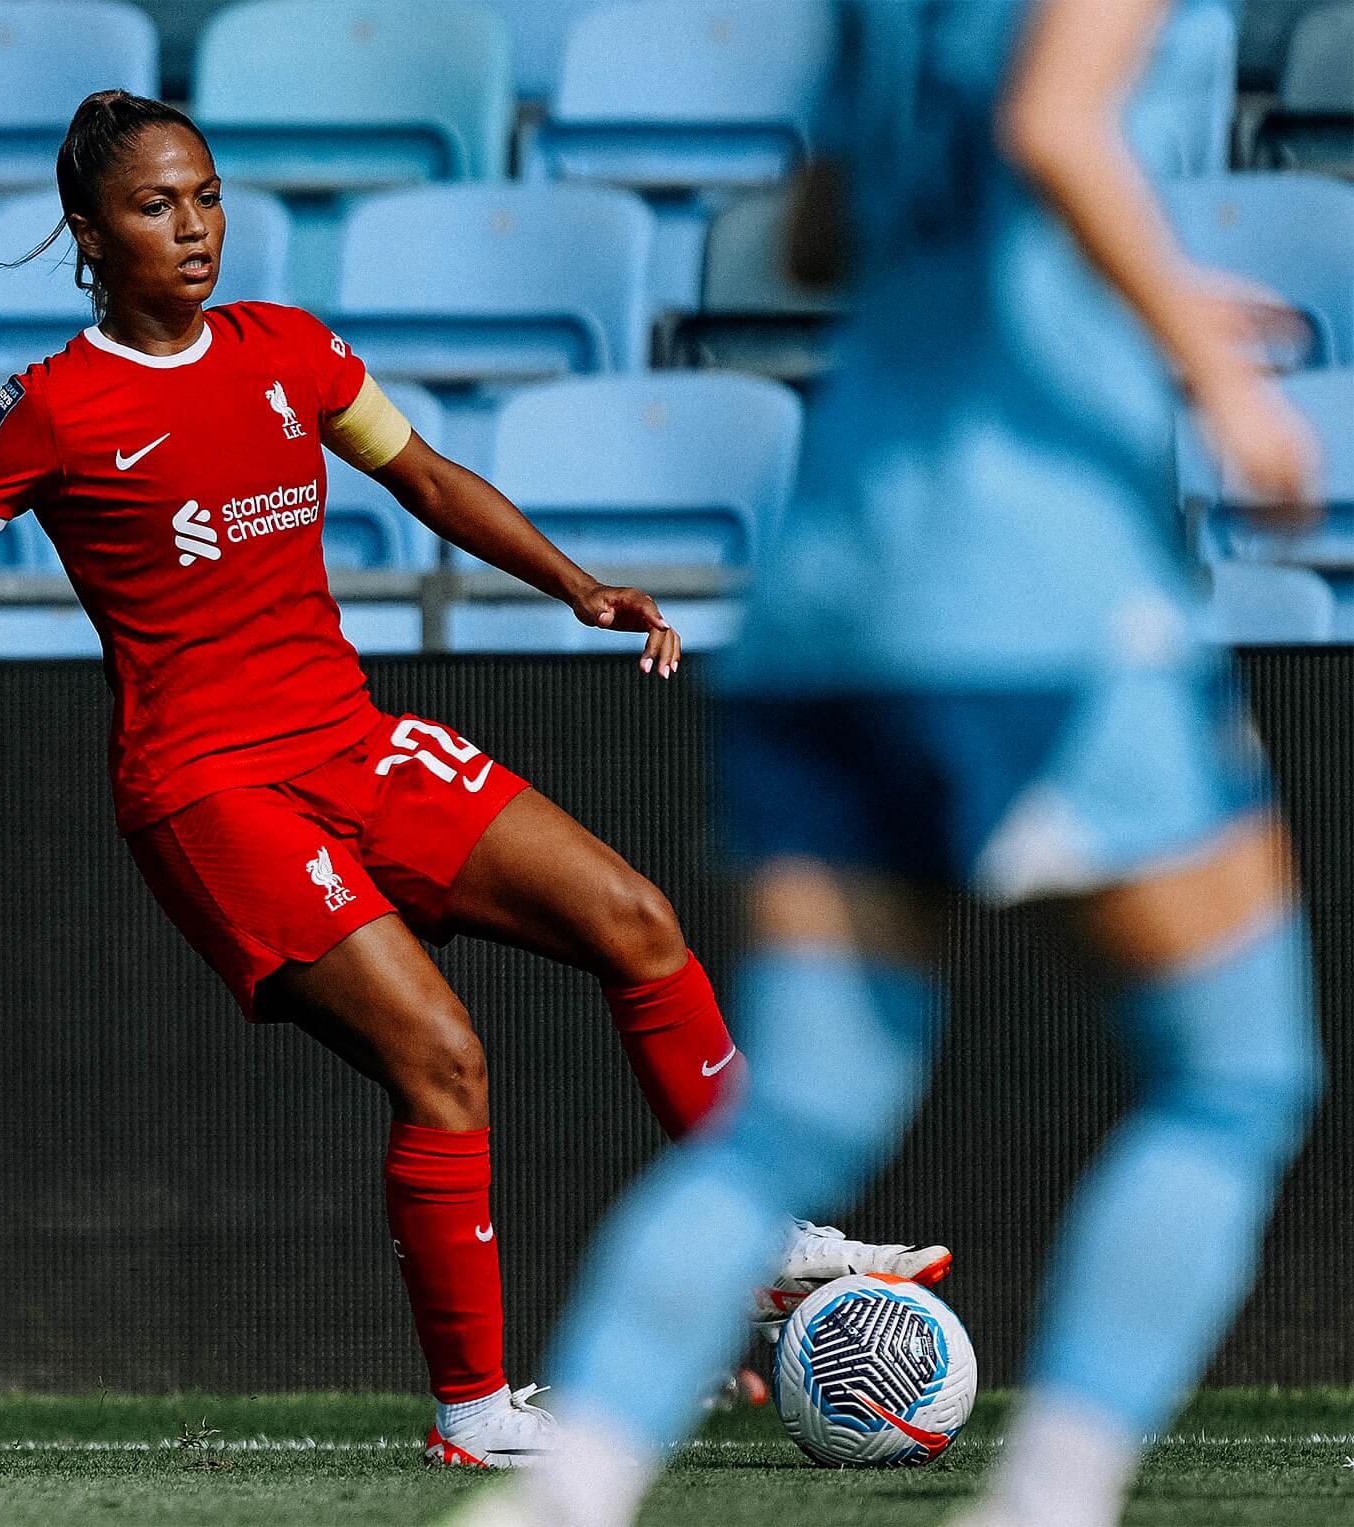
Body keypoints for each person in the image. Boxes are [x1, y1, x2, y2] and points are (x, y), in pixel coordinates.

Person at [0, 90, 946, 1468]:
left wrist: (573, 583)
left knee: (635, 919)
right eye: (158, 207)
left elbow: (430, 477)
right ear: (90, 235)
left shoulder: (291, 350)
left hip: (350, 740)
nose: (195, 227)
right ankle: (474, 1412)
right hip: (211, 791)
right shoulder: (52, 408)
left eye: (207, 196)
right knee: (442, 1056)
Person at [448, 0, 1326, 1521]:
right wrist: (1212, 365)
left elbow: (815, 234)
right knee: (1236, 1076)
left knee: (796, 1113)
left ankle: (566, 1489)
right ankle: (1050, 1497)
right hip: (1040, 583)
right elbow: (1052, 126)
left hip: (832, 587)